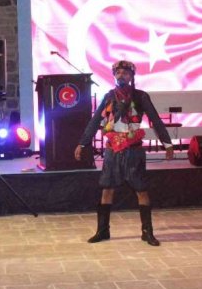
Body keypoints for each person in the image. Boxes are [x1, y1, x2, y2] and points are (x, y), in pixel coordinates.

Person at [75, 60, 174, 246]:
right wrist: (82, 143)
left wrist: (167, 144)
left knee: (141, 190)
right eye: (118, 73)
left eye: (125, 73)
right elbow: (95, 121)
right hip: (113, 150)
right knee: (107, 189)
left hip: (134, 150)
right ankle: (102, 231)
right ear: (114, 75)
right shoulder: (109, 97)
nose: (121, 76)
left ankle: (147, 232)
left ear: (131, 76)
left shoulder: (141, 96)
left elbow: (155, 120)